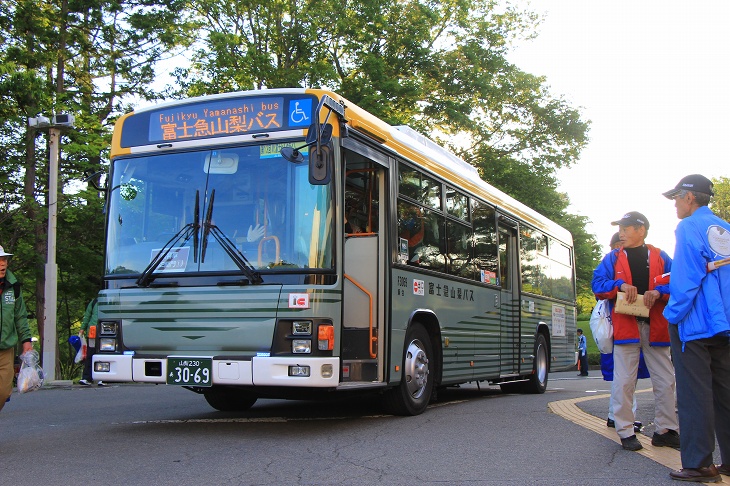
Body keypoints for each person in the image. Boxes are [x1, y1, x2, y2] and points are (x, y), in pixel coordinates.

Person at [662, 174, 730, 483]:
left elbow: (687, 279)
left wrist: (672, 315)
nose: (674, 203)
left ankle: (700, 463)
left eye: (676, 197)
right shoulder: (725, 228)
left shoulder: (688, 226)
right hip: (725, 323)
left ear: (690, 197)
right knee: (726, 393)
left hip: (695, 323)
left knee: (694, 395)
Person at [592, 211, 679, 452]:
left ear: (641, 230)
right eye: (620, 227)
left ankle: (666, 430)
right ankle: (625, 430)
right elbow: (597, 285)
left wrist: (660, 292)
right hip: (626, 326)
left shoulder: (661, 256)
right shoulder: (612, 258)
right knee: (624, 381)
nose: (621, 231)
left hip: (656, 327)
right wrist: (619, 285)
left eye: (626, 227)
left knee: (665, 380)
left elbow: (680, 282)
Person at [602, 232, 648, 432]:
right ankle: (620, 417)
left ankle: (618, 416)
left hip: (626, 326)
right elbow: (599, 288)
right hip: (618, 326)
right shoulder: (611, 263)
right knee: (624, 377)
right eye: (618, 244)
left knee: (624, 376)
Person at [0, 245, 33, 412]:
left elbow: (20, 316)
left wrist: (26, 341)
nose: (2, 264)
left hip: (6, 348)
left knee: (4, 392)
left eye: (4, 259)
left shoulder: (13, 287)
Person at [79, 297, 105, 387]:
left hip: (105, 331)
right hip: (93, 332)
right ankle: (87, 377)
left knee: (103, 353)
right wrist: (82, 328)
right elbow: (87, 315)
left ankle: (102, 377)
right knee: (91, 353)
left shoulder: (110, 301)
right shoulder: (94, 301)